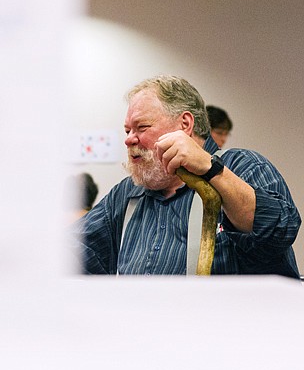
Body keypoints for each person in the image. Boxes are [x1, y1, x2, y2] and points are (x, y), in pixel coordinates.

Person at [78, 75, 300, 277]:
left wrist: (210, 169)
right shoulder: (127, 194)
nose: (129, 139)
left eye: (142, 127)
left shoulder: (243, 166)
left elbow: (280, 232)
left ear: (185, 124)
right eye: (128, 131)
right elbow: (72, 253)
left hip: (231, 320)